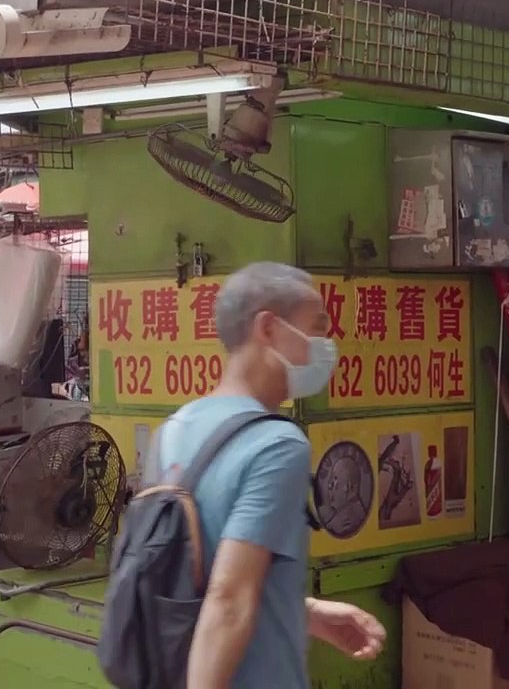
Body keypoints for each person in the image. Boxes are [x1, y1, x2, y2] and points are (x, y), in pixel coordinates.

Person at [152, 262, 386, 689]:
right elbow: (227, 600)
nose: (324, 344)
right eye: (316, 326)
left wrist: (306, 613)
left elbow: (194, 578)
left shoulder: (176, 429)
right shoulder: (276, 445)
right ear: (269, 328)